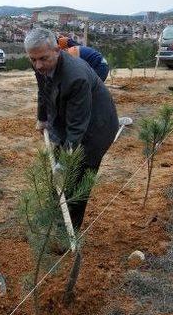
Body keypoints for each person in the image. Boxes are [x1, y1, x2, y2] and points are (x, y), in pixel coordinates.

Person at [26, 28, 118, 234]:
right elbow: (43, 89)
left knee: (77, 178)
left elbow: (77, 128)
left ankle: (68, 232)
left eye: (43, 59)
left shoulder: (76, 77)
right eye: (33, 60)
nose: (38, 65)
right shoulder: (39, 62)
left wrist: (65, 163)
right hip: (69, 119)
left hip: (96, 127)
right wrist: (42, 118)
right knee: (57, 176)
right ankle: (54, 220)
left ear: (58, 50)